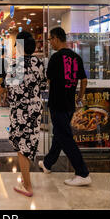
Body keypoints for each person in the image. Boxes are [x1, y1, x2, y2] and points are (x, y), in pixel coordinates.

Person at [0, 32, 46, 197]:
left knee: (21, 146)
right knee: (29, 143)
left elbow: (3, 87)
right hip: (35, 109)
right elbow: (43, 85)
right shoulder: (39, 63)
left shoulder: (15, 65)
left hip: (20, 110)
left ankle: (28, 186)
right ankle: (25, 176)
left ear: (19, 46)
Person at [38, 27, 91, 186]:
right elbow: (84, 80)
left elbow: (48, 80)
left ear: (55, 38)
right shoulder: (76, 57)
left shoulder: (55, 58)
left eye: (50, 40)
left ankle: (82, 173)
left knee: (65, 137)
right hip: (69, 104)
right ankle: (47, 164)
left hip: (57, 103)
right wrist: (79, 97)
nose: (50, 43)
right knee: (60, 134)